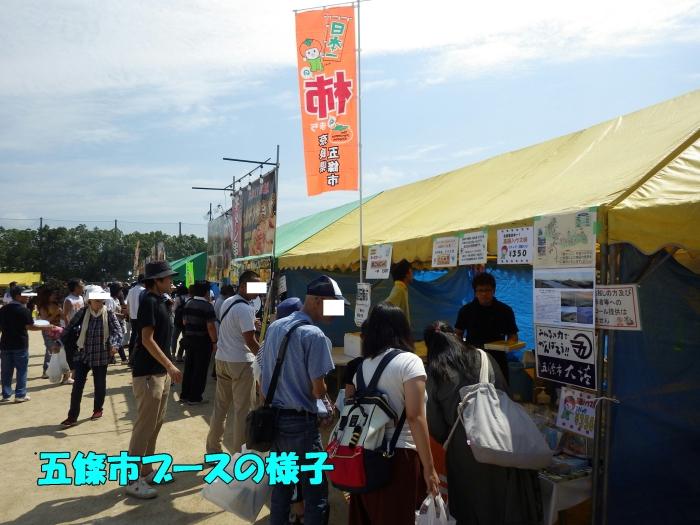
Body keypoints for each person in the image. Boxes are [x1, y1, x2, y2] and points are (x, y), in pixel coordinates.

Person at [424, 321, 542, 525]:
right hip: (499, 437)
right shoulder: (483, 357)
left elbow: (434, 423)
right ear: (456, 337)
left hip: (463, 448)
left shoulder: (435, 371)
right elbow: (504, 394)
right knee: (503, 499)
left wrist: (453, 438)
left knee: (469, 503)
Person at [259, 275, 345, 525]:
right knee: (315, 492)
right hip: (302, 427)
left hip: (275, 422)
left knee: (282, 488)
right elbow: (318, 390)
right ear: (317, 301)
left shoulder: (276, 326)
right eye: (334, 304)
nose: (337, 312)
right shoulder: (315, 336)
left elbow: (264, 377)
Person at [348, 303, 439, 525]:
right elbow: (415, 417)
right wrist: (429, 468)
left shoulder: (363, 366)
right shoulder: (410, 362)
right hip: (399, 458)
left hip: (364, 455)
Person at [126, 261, 183, 499]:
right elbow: (147, 339)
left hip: (159, 372)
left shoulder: (161, 301)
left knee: (156, 423)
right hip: (149, 372)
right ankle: (131, 478)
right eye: (167, 278)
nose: (171, 281)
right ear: (156, 281)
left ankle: (147, 470)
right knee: (144, 426)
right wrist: (170, 366)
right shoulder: (149, 301)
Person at [206, 271, 262, 455]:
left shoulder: (229, 302)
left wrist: (252, 324)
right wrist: (264, 360)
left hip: (222, 359)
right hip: (240, 362)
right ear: (244, 286)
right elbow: (250, 341)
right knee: (243, 412)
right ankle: (241, 457)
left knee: (220, 408)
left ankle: (213, 450)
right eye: (255, 287)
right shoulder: (245, 308)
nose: (258, 291)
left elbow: (236, 327)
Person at [60, 286, 123, 427]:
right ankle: (72, 416)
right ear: (89, 301)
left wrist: (114, 344)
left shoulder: (109, 313)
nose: (100, 303)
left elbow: (117, 332)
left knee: (99, 384)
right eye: (97, 301)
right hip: (83, 355)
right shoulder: (82, 313)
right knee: (77, 386)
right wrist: (58, 342)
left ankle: (97, 409)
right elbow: (69, 328)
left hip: (101, 356)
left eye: (102, 301)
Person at [455, 272, 518, 381]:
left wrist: (509, 345)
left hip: (498, 359)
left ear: (494, 291)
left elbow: (513, 335)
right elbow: (457, 334)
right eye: (480, 290)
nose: (484, 294)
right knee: (474, 391)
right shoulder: (466, 310)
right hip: (473, 359)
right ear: (475, 292)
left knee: (500, 392)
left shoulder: (505, 310)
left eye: (487, 290)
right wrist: (462, 351)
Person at [0, 286, 55, 402]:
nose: (29, 297)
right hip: (20, 344)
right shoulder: (23, 310)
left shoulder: (3, 309)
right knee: (21, 370)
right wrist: (47, 326)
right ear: (18, 296)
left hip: (5, 344)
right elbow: (31, 326)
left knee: (6, 371)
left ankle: (6, 394)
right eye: (27, 294)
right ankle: (20, 394)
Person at [179, 281, 217, 405]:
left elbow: (184, 322)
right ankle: (195, 397)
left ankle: (184, 395)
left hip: (189, 339)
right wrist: (214, 341)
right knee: (200, 370)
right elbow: (210, 326)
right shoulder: (208, 306)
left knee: (189, 367)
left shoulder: (188, 303)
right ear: (206, 292)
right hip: (203, 341)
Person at [36, 286, 63, 378]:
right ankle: (46, 371)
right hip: (48, 330)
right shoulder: (43, 307)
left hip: (58, 329)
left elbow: (63, 317)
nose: (54, 296)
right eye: (52, 294)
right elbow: (45, 321)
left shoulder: (56, 305)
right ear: (47, 296)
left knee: (58, 349)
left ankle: (55, 370)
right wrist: (55, 314)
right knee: (50, 350)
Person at [126, 275, 146, 366]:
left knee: (134, 337)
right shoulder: (143, 291)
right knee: (140, 338)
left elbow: (128, 304)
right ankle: (135, 359)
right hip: (141, 317)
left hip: (133, 317)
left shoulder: (131, 290)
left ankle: (131, 357)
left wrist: (130, 316)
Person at [385, 259, 413, 323]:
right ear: (407, 273)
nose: (412, 274)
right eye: (411, 271)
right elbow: (385, 308)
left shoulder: (401, 288)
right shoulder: (399, 289)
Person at [107, 282, 128, 364]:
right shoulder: (110, 299)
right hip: (114, 324)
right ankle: (123, 359)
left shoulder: (116, 299)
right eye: (120, 290)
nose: (121, 292)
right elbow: (109, 312)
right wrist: (121, 315)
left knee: (115, 341)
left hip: (119, 322)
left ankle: (111, 358)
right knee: (119, 341)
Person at [171, 284, 189, 362]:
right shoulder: (189, 298)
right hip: (187, 322)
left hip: (178, 321)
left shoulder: (178, 298)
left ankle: (173, 353)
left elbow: (173, 309)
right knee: (186, 338)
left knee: (174, 337)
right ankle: (184, 354)